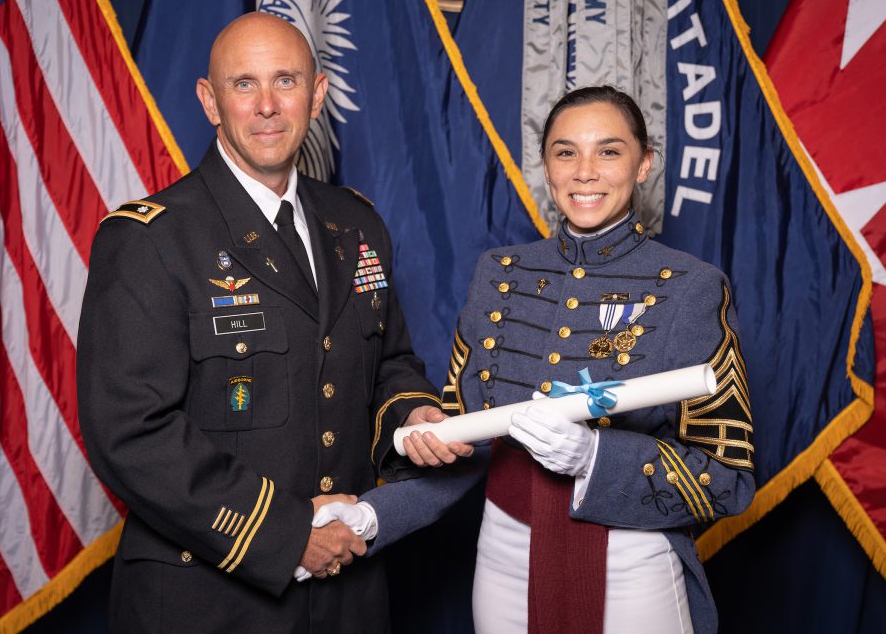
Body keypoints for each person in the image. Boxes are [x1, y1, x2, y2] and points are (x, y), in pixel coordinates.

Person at [76, 12, 465, 633]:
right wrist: (284, 539)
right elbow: (130, 431)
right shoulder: (151, 240)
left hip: (349, 590)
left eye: (285, 81)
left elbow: (388, 363)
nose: (265, 106)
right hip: (208, 596)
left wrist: (412, 415)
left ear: (316, 96)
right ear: (209, 101)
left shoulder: (358, 224)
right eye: (242, 85)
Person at [319, 86, 756, 633]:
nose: (585, 171)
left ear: (644, 164)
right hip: (503, 558)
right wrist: (369, 516)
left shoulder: (692, 287)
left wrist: (596, 457)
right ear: (546, 167)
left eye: (610, 151)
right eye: (566, 151)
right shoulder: (498, 273)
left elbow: (728, 479)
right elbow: (464, 449)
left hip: (632, 565)